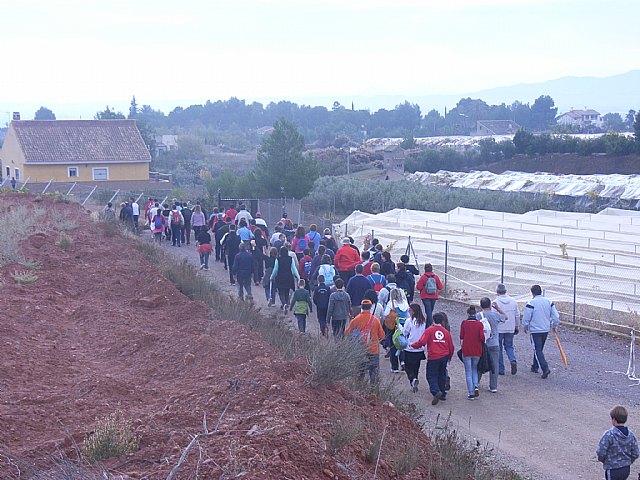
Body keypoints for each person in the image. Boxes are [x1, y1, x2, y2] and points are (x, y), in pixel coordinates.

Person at [410, 308, 455, 405]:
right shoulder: (446, 332)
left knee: (431, 375)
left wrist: (412, 345)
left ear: (433, 320)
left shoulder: (430, 330)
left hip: (434, 356)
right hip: (444, 356)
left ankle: (435, 391)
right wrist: (449, 357)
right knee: (442, 374)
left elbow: (422, 342)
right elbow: (451, 346)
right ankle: (442, 393)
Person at [522, 284, 560, 379]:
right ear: (541, 292)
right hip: (545, 329)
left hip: (535, 330)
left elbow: (526, 317)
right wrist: (554, 326)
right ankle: (535, 366)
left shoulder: (531, 303)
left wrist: (525, 326)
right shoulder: (548, 301)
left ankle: (545, 368)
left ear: (532, 293)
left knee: (537, 349)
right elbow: (556, 316)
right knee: (539, 349)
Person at [345, 299, 386, 384]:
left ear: (361, 307)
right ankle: (373, 391)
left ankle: (359, 390)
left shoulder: (355, 320)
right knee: (373, 371)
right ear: (370, 307)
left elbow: (347, 333)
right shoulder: (375, 320)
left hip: (360, 350)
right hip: (373, 349)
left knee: (360, 372)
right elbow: (382, 335)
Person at [596, 405, 639, 480]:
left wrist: (603, 460)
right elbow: (636, 453)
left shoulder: (609, 434)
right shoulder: (631, 435)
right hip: (626, 469)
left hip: (612, 469)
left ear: (614, 419)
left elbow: (600, 451)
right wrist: (628, 461)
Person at [476, 297, 506, 393]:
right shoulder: (495, 315)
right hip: (494, 343)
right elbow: (505, 317)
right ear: (490, 305)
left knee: (480, 363)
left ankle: (476, 383)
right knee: (494, 365)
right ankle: (493, 386)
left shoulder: (478, 316)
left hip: (482, 343)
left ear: (481, 305)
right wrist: (497, 308)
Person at [494, 283, 521, 375]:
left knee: (499, 348)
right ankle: (512, 360)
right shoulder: (513, 301)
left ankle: (501, 369)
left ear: (497, 292)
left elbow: (493, 316)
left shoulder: (495, 302)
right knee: (509, 346)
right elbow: (517, 315)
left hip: (499, 328)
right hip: (510, 327)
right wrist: (517, 326)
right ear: (505, 291)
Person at [460, 305, 485, 400]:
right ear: (475, 314)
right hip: (477, 349)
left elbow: (461, 336)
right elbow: (482, 338)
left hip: (467, 349)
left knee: (468, 371)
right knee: (475, 369)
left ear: (468, 314)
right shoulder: (479, 324)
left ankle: (471, 393)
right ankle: (476, 386)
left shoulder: (464, 323)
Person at [383, 287, 410, 373]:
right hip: (404, 325)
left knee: (393, 345)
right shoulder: (405, 303)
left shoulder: (391, 303)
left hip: (394, 325)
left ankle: (394, 367)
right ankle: (403, 361)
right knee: (402, 344)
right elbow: (408, 314)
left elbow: (385, 313)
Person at [402, 304, 427, 392]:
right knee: (416, 366)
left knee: (407, 366)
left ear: (413, 311)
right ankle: (414, 380)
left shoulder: (409, 321)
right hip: (420, 348)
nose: (409, 312)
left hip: (410, 347)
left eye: (410, 310)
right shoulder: (423, 322)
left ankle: (412, 379)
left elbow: (405, 332)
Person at [271, 245, 300, 312]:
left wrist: (272, 277)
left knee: (281, 292)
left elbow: (275, 270)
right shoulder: (290, 259)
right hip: (289, 277)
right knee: (287, 291)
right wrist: (298, 277)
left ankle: (284, 304)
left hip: (280, 277)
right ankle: (286, 303)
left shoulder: (278, 259)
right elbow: (294, 268)